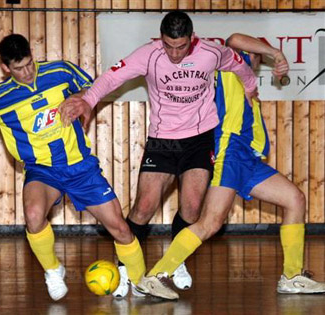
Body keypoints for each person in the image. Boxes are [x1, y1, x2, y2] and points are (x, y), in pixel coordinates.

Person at [0, 34, 148, 301]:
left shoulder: (60, 70)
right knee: (33, 215)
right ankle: (53, 270)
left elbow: (94, 88)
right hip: (42, 170)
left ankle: (139, 283)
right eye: (19, 68)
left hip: (81, 168)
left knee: (121, 229)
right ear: (5, 68)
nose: (27, 72)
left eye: (30, 63)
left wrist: (80, 99)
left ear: (33, 55)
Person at [59, 11, 258, 299]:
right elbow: (111, 78)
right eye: (168, 46)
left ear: (192, 39)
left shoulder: (211, 53)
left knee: (191, 207)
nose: (174, 54)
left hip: (200, 139)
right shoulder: (149, 55)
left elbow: (239, 64)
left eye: (181, 46)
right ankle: (125, 268)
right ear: (161, 39)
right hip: (163, 140)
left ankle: (176, 262)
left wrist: (251, 88)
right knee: (144, 207)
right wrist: (88, 100)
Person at [137, 33, 325, 300]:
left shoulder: (246, 80)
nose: (256, 57)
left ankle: (292, 276)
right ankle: (157, 275)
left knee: (295, 198)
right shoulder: (228, 64)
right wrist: (276, 53)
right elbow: (234, 39)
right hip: (228, 148)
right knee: (211, 223)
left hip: (246, 157)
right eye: (255, 52)